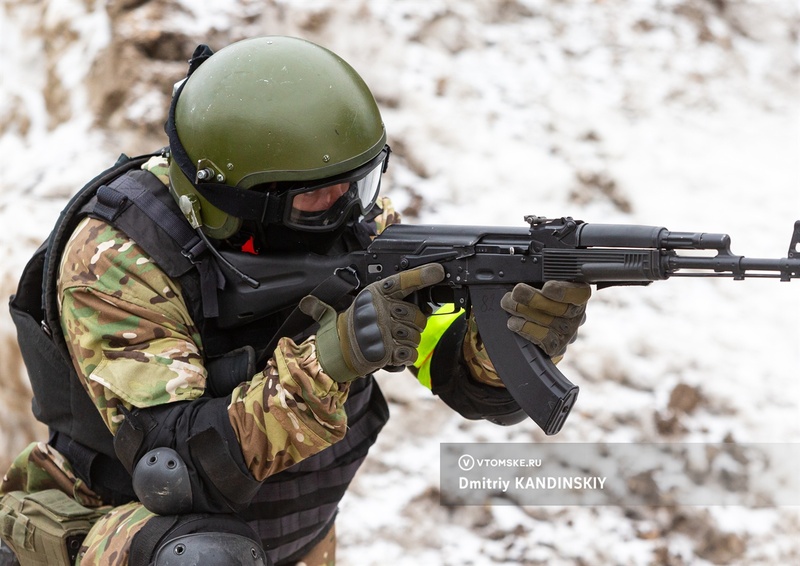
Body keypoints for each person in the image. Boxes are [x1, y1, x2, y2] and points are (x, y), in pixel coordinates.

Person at [0, 36, 590, 565]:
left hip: (288, 533)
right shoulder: (118, 259)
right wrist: (332, 359)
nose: (344, 206)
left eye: (356, 183)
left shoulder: (354, 225)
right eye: (316, 196)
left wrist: (501, 345)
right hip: (124, 530)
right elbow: (174, 472)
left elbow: (438, 355)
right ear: (240, 198)